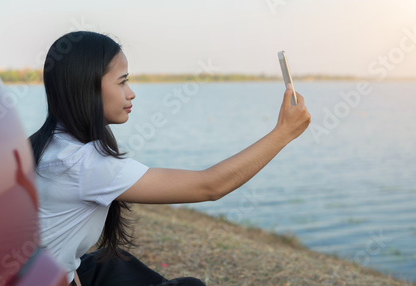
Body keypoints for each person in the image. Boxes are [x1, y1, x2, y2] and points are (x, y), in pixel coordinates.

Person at [30, 31, 311, 286]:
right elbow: (209, 186)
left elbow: (55, 251)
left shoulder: (50, 144)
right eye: (122, 81)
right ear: (87, 87)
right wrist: (283, 133)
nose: (131, 92)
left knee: (113, 261)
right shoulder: (83, 163)